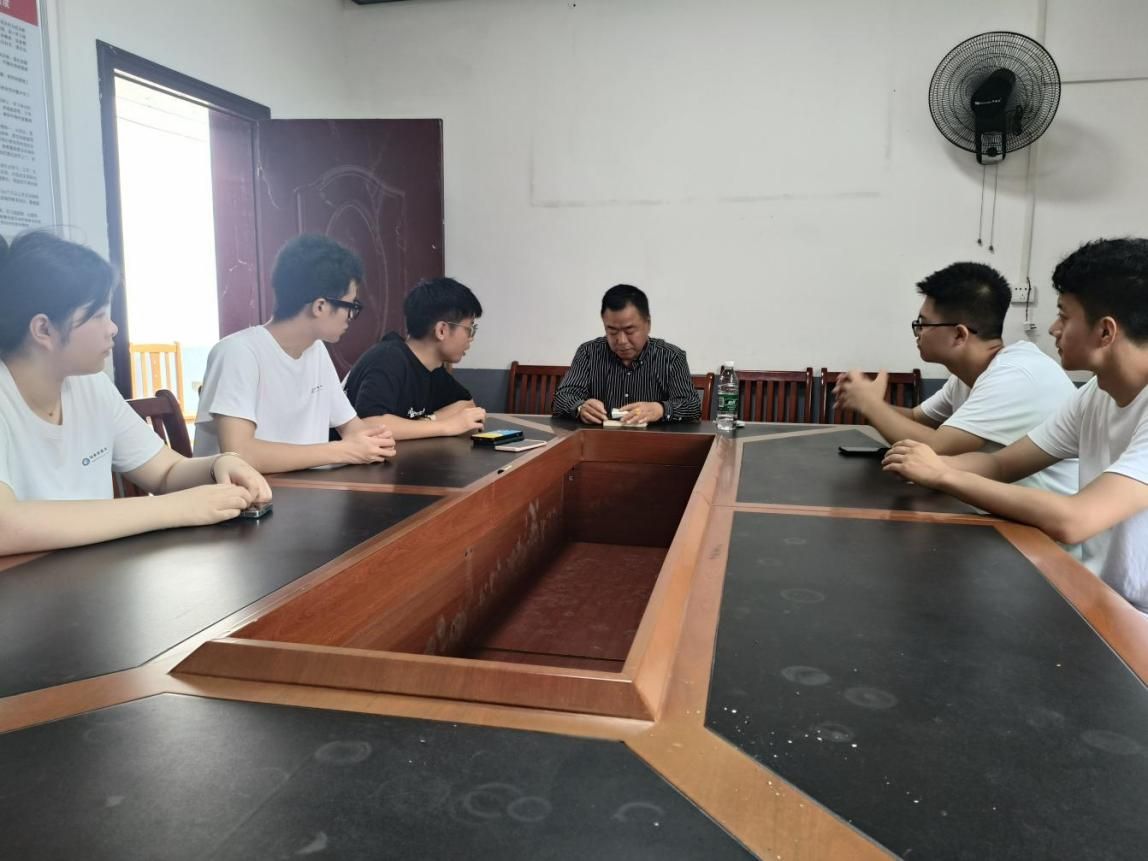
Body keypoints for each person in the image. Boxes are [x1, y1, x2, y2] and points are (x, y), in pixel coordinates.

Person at [884, 238, 1148, 614]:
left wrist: (943, 474)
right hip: (1100, 598)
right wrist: (924, 463)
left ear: (1105, 332)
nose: (1053, 329)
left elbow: (1075, 519)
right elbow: (1001, 464)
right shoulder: (1096, 393)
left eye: (1064, 316)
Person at [0, 231, 271, 556]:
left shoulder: (92, 386)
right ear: (43, 329)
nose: (112, 327)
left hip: (94, 575)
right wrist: (174, 509)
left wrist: (220, 464)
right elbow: (6, 526)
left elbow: (166, 472)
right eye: (98, 315)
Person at [835, 261, 1077, 494]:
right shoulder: (969, 375)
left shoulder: (1014, 376)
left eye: (923, 324)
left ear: (959, 335)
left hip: (1046, 518)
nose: (918, 332)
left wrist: (871, 405)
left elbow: (937, 449)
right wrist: (864, 398)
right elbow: (917, 419)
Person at [194, 235, 396, 473]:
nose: (351, 317)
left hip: (304, 488)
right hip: (245, 495)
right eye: (351, 306)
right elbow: (240, 454)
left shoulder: (316, 351)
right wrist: (345, 450)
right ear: (320, 306)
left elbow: (352, 428)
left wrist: (375, 442)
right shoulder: (238, 353)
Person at [343, 277, 485, 440]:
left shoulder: (432, 368)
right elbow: (370, 424)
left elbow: (467, 406)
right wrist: (447, 426)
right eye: (469, 329)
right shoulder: (388, 359)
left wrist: (428, 420)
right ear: (442, 330)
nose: (471, 338)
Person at [552, 284, 700, 425]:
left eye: (629, 330)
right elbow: (561, 398)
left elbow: (692, 405)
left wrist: (661, 409)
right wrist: (580, 407)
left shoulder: (671, 357)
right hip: (600, 438)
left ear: (648, 324)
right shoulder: (588, 353)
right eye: (612, 331)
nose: (621, 341)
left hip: (653, 440)